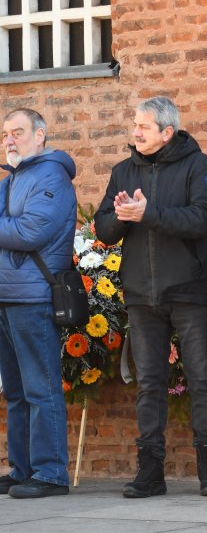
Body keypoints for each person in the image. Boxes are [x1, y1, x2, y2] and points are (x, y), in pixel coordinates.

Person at [94, 96, 207, 498]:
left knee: (202, 381)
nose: (135, 132)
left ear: (167, 132)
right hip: (141, 295)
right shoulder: (123, 171)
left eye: (144, 127)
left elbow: (201, 219)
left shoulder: (199, 166)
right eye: (134, 125)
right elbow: (103, 228)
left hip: (190, 293)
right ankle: (150, 473)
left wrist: (147, 213)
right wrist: (122, 215)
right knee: (149, 384)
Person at [0, 108, 75, 499]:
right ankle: (22, 468)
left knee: (40, 388)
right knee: (15, 390)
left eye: (18, 132)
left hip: (33, 296)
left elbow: (30, 231)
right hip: (7, 295)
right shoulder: (13, 179)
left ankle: (51, 474)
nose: (9, 140)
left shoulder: (51, 175)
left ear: (41, 135)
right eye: (5, 134)